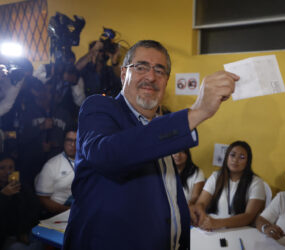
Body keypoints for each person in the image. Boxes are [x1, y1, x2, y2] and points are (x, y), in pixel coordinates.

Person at [62, 40, 239, 250]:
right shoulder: (100, 107)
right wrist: (198, 111)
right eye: (141, 67)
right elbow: (107, 155)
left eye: (160, 70)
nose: (151, 76)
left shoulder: (160, 129)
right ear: (123, 74)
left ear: (166, 81)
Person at [193, 140, 266, 231]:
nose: (235, 160)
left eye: (242, 157)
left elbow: (249, 216)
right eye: (232, 155)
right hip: (213, 228)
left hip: (240, 230)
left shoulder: (256, 182)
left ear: (248, 161)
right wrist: (203, 217)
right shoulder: (216, 177)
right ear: (227, 157)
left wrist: (218, 223)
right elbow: (200, 203)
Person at [0, 153, 43, 250]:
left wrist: (23, 231)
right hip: (6, 235)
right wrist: (3, 196)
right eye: (2, 168)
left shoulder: (20, 185)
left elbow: (35, 207)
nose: (7, 172)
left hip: (25, 230)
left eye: (11, 168)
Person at [35, 128, 77, 218]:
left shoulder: (87, 163)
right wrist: (68, 211)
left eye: (77, 141)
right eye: (69, 140)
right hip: (57, 214)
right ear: (63, 142)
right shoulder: (51, 165)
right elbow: (43, 199)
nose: (73, 144)